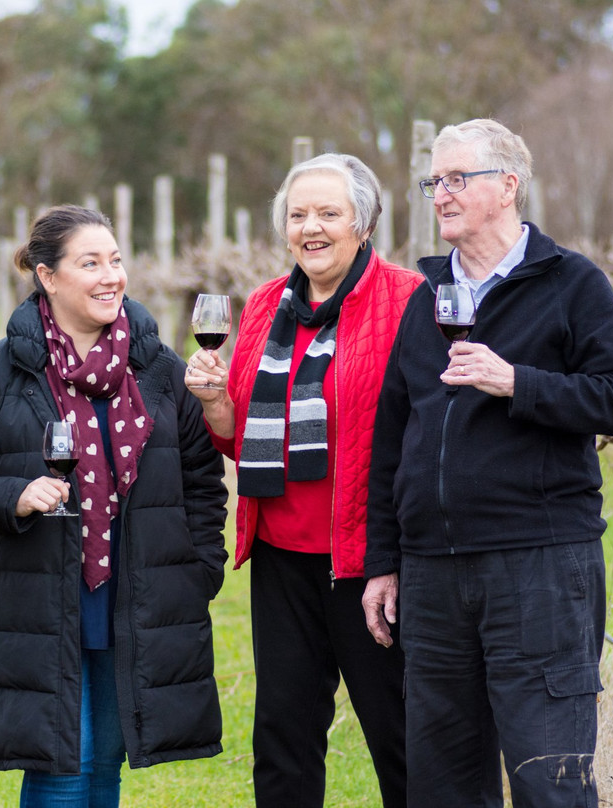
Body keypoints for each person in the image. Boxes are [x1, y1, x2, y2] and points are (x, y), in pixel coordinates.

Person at [362, 118, 613, 808]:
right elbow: (393, 435)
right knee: (442, 785)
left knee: (548, 778)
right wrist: (384, 559)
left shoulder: (570, 283)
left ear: (507, 186)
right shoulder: (424, 297)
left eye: (458, 179)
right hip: (432, 577)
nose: (440, 194)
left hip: (538, 568)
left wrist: (517, 382)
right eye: (435, 181)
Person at [0, 205, 227, 807]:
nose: (110, 276)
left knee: (104, 765)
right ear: (47, 276)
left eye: (116, 261)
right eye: (90, 262)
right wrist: (11, 496)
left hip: (136, 599)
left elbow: (202, 478)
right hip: (41, 600)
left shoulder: (160, 370)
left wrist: (200, 567)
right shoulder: (2, 372)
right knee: (63, 766)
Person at [187, 153, 419, 808]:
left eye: (328, 213)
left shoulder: (406, 301)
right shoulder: (264, 306)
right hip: (284, 558)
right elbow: (243, 439)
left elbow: (425, 437)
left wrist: (393, 558)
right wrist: (213, 405)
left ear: (364, 223)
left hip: (372, 562)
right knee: (283, 739)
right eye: (298, 214)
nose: (310, 228)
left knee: (401, 739)